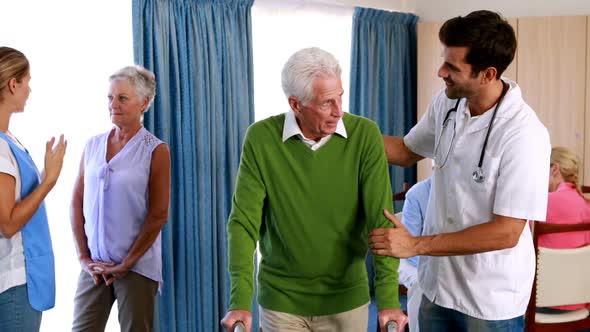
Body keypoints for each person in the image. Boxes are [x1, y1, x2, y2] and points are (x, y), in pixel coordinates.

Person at [369, 10, 551, 332]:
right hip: (437, 287)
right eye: (444, 61)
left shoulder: (524, 134)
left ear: (487, 74)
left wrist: (416, 245)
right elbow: (406, 151)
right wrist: (347, 130)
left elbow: (506, 232)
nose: (441, 72)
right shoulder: (447, 103)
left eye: (452, 67)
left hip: (489, 300)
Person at [220, 47, 407, 332]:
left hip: (347, 300)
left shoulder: (365, 135)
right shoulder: (261, 139)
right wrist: (240, 300)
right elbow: (243, 224)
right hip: (281, 300)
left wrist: (389, 299)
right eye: (326, 103)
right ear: (296, 104)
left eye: (340, 97)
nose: (338, 111)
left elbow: (381, 221)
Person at [70, 65, 171, 332]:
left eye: (122, 98)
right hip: (95, 267)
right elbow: (76, 202)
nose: (113, 104)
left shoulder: (156, 151)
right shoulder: (92, 145)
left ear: (144, 103)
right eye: (110, 97)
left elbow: (159, 214)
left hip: (136, 268)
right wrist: (83, 257)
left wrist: (128, 262)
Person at [0, 46, 67, 331]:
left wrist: (42, 174)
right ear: (13, 84)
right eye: (27, 82)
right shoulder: (1, 149)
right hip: (13, 283)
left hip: (21, 280)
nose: (29, 89)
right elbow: (8, 223)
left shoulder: (9, 139)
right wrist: (49, 180)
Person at [536, 146, 590, 312]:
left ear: (554, 169)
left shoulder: (542, 203)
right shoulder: (585, 203)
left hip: (543, 304)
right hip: (583, 305)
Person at [398, 177, 431, 332]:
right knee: (423, 283)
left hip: (446, 261)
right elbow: (409, 247)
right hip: (412, 260)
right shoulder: (417, 194)